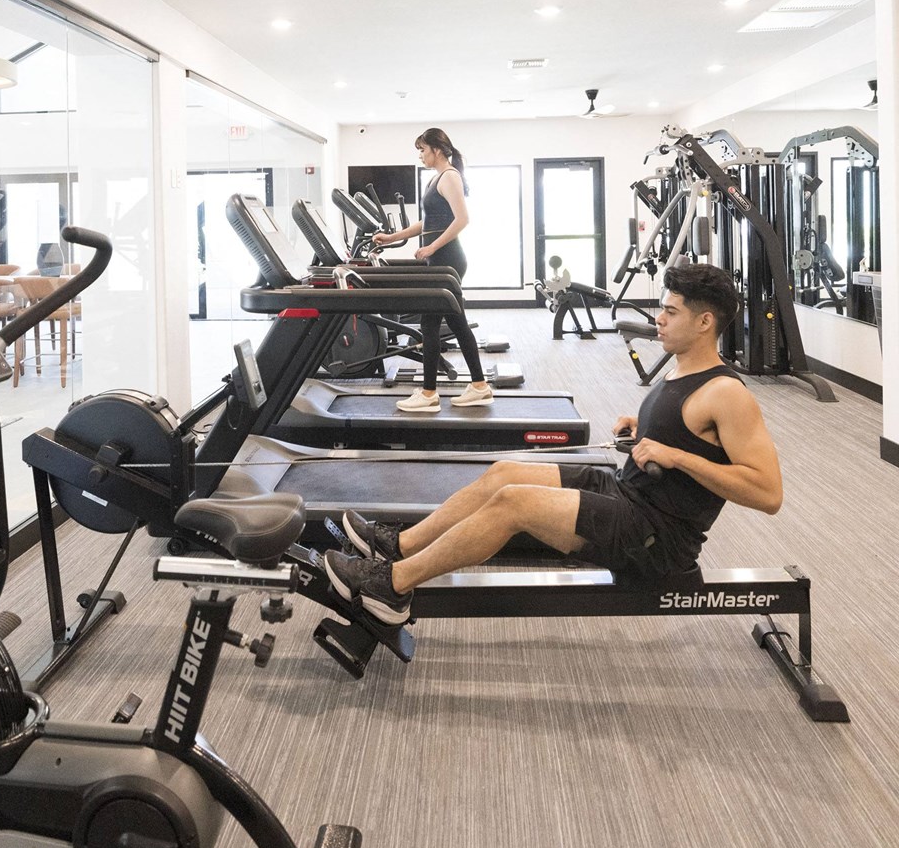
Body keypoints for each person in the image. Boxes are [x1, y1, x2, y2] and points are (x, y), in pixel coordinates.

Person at [324, 263, 783, 624]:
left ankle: (394, 587)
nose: (658, 319)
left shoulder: (727, 394)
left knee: (513, 503)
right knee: (506, 472)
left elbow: (767, 494)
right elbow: (688, 439)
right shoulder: (683, 365)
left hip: (655, 538)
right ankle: (399, 545)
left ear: (705, 322)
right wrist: (648, 435)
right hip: (629, 492)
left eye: (671, 312)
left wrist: (675, 453)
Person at [372, 127, 493, 413]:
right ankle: (478, 386)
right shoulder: (437, 179)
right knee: (455, 321)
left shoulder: (449, 176)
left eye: (423, 150)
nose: (421, 155)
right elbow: (427, 223)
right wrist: (394, 237)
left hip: (447, 259)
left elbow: (463, 219)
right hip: (442, 258)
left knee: (429, 323)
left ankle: (429, 393)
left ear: (437, 149)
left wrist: (432, 247)